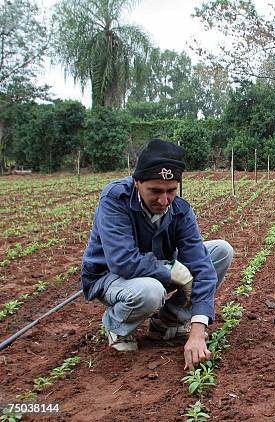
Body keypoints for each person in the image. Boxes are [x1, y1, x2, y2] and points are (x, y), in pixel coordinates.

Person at [81, 139, 234, 371]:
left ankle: (168, 320)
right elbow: (122, 261)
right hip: (110, 276)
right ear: (137, 183)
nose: (164, 201)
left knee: (220, 252)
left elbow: (202, 268)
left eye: (171, 191)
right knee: (151, 290)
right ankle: (117, 326)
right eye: (155, 191)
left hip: (152, 272)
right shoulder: (115, 200)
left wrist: (198, 330)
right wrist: (168, 269)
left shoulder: (180, 210)